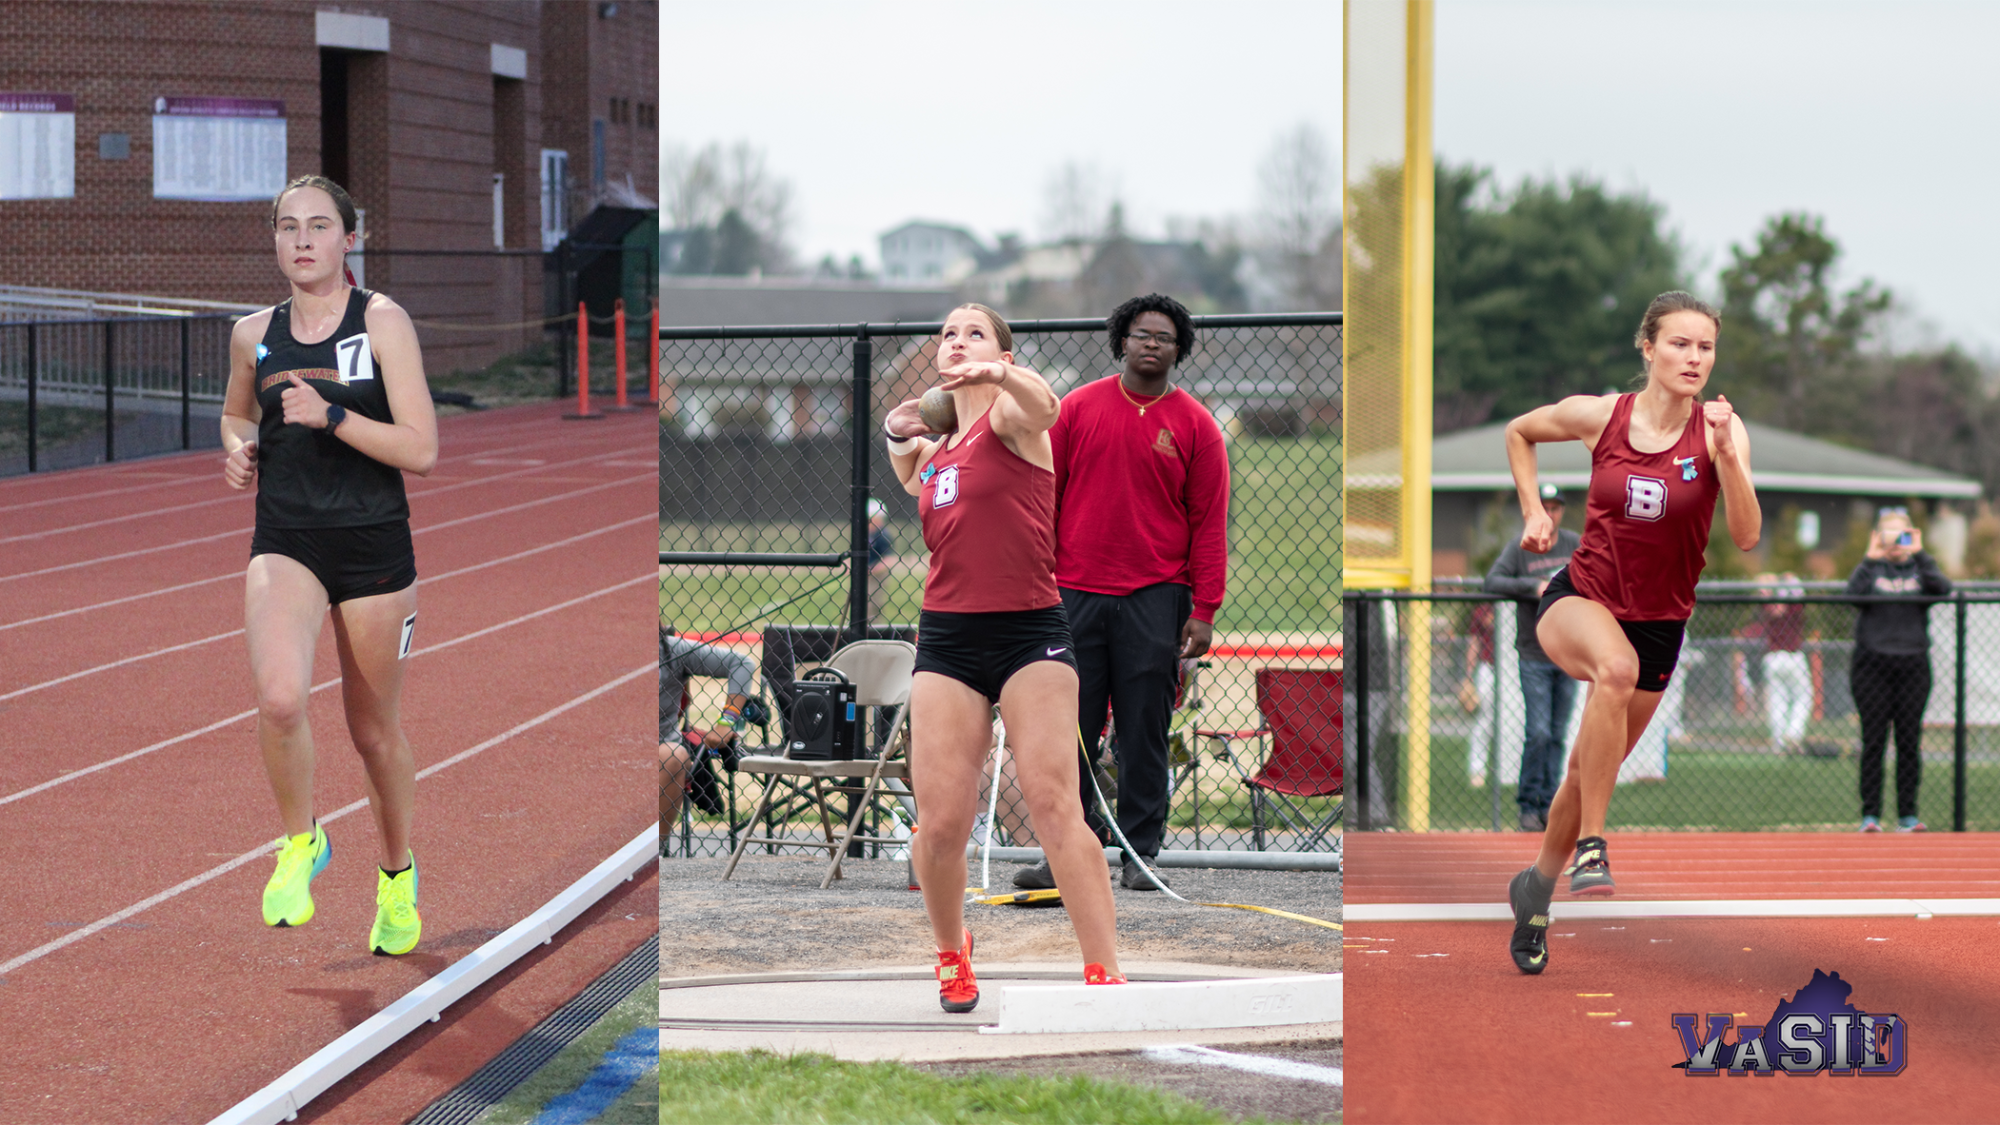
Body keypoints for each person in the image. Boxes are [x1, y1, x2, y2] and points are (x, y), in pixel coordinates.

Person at [1499, 291, 1759, 975]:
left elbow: (1747, 533)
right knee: (1611, 670)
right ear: (1648, 347)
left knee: (1585, 773)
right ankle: (1595, 846)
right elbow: (1519, 431)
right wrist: (1534, 511)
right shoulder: (1600, 415)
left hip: (1661, 625)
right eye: (1679, 343)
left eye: (1705, 346)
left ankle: (1536, 891)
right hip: (1579, 600)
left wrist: (1729, 456)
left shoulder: (1718, 431)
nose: (1693, 357)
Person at [886, 303, 1125, 1012]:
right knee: (941, 823)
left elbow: (1047, 406)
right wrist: (898, 428)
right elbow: (906, 461)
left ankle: (1104, 970)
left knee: (1056, 803)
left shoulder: (1015, 423)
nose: (958, 339)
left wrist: (1001, 375)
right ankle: (951, 950)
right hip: (949, 641)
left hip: (1029, 634)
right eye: (949, 333)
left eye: (976, 332)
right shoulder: (940, 450)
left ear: (1003, 353)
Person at [220, 175, 437, 956]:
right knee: (280, 699)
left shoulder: (382, 320)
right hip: (288, 538)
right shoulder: (253, 333)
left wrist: (334, 413)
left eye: (318, 226)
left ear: (351, 239)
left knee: (372, 733)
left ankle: (395, 874)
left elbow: (422, 448)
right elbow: (237, 408)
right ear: (274, 240)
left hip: (375, 545)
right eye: (287, 227)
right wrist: (236, 448)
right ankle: (301, 840)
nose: (301, 240)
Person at [1014, 292, 1228, 893]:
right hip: (1072, 593)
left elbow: (1209, 524)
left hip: (1156, 597)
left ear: (1179, 349)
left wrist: (1204, 609)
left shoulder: (1197, 426)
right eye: (1141, 333)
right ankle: (1067, 853)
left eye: (1164, 336)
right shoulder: (1077, 410)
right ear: (1122, 342)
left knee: (1143, 731)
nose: (1152, 343)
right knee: (1068, 729)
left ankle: (1140, 853)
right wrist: (1037, 581)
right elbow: (1041, 502)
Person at [1483, 484, 1583, 831]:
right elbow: (1492, 581)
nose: (1551, 514)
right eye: (1545, 507)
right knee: (1538, 731)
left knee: (1558, 733)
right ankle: (1528, 802)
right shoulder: (1521, 547)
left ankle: (1550, 805)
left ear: (1561, 512)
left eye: (1556, 508)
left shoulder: (1573, 543)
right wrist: (1532, 587)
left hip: (1569, 653)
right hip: (1535, 652)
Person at [1847, 509, 1950, 832]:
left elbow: (1943, 589)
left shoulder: (1919, 569)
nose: (1895, 543)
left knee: (1909, 741)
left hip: (1913, 665)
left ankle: (1907, 815)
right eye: (1889, 535)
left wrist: (1919, 553)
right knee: (1874, 741)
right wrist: (1869, 557)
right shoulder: (1871, 568)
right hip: (1871, 666)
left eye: (1901, 535)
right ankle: (1871, 816)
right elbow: (1851, 594)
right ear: (1878, 536)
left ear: (1911, 535)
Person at [659, 625, 757, 831]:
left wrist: (727, 721)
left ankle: (653, 851)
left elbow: (741, 663)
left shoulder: (673, 650)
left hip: (661, 750)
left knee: (673, 755)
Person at [1756, 572, 1811, 755]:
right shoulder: (1793, 607)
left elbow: (1763, 588)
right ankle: (1793, 734)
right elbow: (1798, 592)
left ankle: (1778, 741)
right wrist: (1789, 579)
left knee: (1776, 700)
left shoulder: (1768, 605)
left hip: (1773, 658)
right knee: (1803, 697)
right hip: (1793, 656)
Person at [1461, 601, 1497, 789]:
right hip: (1488, 667)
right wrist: (1468, 676)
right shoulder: (1484, 608)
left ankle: (1509, 772)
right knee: (1483, 720)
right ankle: (1477, 770)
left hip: (1514, 667)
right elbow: (1474, 641)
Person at [866, 498, 898, 624]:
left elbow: (889, 559)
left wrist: (872, 570)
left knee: (873, 603)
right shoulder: (865, 534)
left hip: (876, 575)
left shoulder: (882, 535)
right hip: (866, 573)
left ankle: (873, 628)